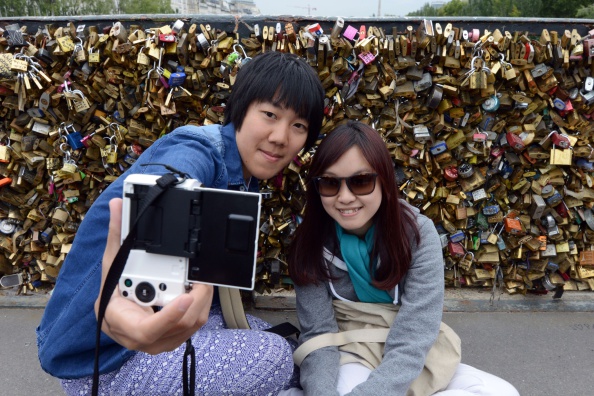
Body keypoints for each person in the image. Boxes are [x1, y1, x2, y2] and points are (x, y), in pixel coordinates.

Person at [36, 50, 325, 395]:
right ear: (241, 108)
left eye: (298, 126)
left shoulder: (244, 173)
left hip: (165, 334)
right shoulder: (199, 150)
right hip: (102, 363)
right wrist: (115, 300)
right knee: (275, 357)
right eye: (269, 114)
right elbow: (170, 177)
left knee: (284, 342)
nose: (280, 137)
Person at [283, 121, 520, 396]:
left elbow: (415, 334)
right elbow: (319, 337)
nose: (345, 197)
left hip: (412, 355)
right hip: (347, 353)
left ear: (384, 180)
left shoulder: (417, 234)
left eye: (360, 181)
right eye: (330, 183)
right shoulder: (309, 243)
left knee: (504, 392)